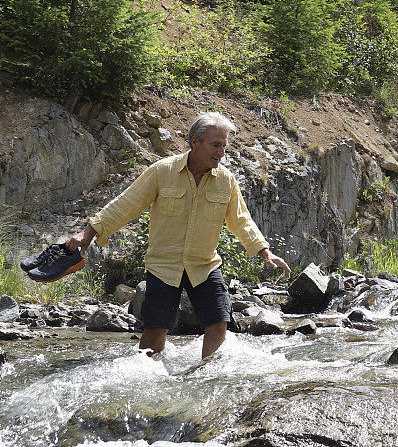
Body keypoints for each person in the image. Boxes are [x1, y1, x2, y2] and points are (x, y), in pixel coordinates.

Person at [65, 112, 291, 359]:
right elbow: (124, 205)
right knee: (155, 330)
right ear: (195, 142)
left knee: (218, 324)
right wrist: (87, 234)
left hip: (204, 265)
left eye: (224, 146)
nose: (221, 152)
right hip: (164, 266)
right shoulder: (163, 171)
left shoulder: (226, 181)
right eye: (216, 145)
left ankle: (206, 378)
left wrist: (264, 251)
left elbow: (241, 220)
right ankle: (149, 378)